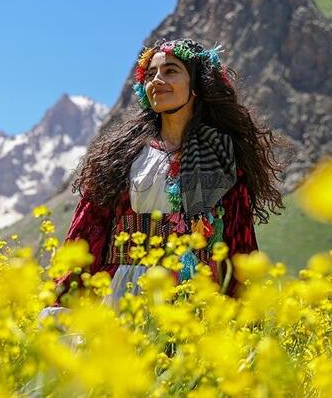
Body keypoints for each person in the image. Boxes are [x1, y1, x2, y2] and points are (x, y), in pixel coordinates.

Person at [41, 37, 286, 318]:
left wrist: (246, 314)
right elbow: (88, 232)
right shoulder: (121, 157)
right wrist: (66, 298)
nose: (157, 80)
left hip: (199, 294)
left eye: (170, 71)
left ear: (197, 84)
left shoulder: (222, 157)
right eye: (151, 74)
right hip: (131, 288)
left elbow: (238, 241)